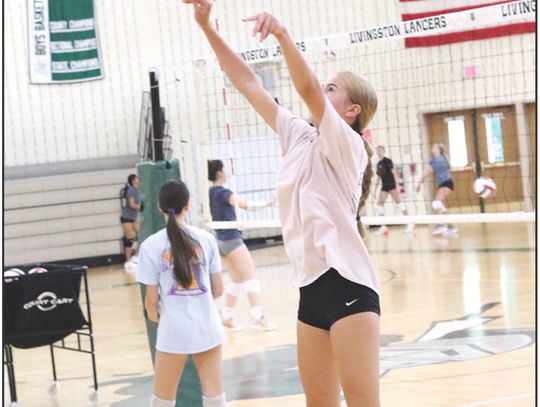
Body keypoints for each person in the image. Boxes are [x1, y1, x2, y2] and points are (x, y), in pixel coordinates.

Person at [185, 2, 381, 405]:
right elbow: (248, 83)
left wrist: (282, 34)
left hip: (349, 285)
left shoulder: (350, 146)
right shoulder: (297, 134)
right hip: (310, 289)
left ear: (351, 110)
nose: (321, 91)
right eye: (325, 86)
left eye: (332, 89)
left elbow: (307, 90)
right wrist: (207, 27)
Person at [137, 180, 227, 407]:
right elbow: (218, 290)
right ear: (187, 205)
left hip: (174, 331)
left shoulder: (150, 246)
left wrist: (158, 315)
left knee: (162, 401)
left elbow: (151, 304)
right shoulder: (206, 239)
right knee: (215, 398)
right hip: (207, 326)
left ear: (159, 207)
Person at [207, 159, 276, 332]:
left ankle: (227, 317)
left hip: (220, 241)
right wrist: (269, 202)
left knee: (237, 280)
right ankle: (258, 318)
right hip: (231, 239)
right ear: (220, 173)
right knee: (250, 277)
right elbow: (245, 206)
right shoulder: (224, 193)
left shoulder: (210, 192)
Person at [416, 143, 458, 235]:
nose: (432, 147)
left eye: (434, 146)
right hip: (443, 184)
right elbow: (427, 172)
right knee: (441, 205)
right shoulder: (435, 160)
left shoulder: (439, 160)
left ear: (439, 149)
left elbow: (427, 173)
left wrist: (419, 183)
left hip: (446, 183)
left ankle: (440, 225)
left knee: (437, 202)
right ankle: (451, 226)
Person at [374, 145, 415, 235]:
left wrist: (397, 186)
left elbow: (394, 173)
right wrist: (375, 189)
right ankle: (383, 226)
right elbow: (378, 178)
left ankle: (410, 224)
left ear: (384, 151)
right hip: (384, 186)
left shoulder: (388, 161)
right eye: (377, 150)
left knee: (399, 203)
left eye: (380, 150)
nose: (379, 152)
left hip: (392, 185)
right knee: (379, 205)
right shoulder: (378, 164)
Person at [120, 174, 142, 272]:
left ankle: (136, 257)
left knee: (142, 237)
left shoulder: (138, 190)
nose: (139, 179)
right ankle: (128, 261)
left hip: (134, 217)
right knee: (129, 239)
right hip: (127, 217)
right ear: (133, 180)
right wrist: (141, 207)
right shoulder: (131, 190)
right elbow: (132, 204)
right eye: (137, 178)